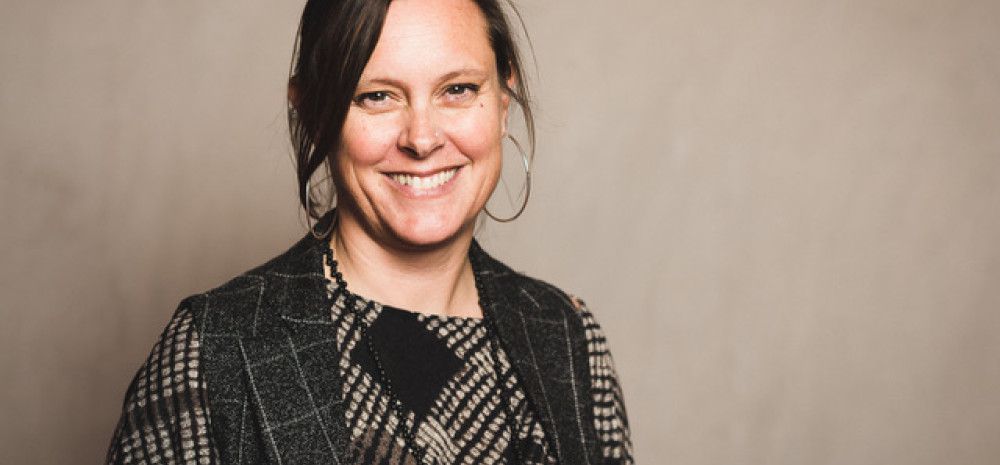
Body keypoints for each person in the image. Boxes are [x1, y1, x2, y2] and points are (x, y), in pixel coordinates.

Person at [106, 0, 633, 463]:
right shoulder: (212, 350)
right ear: (314, 114)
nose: (422, 139)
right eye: (377, 96)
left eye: (458, 89)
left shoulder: (568, 335)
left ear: (501, 101)